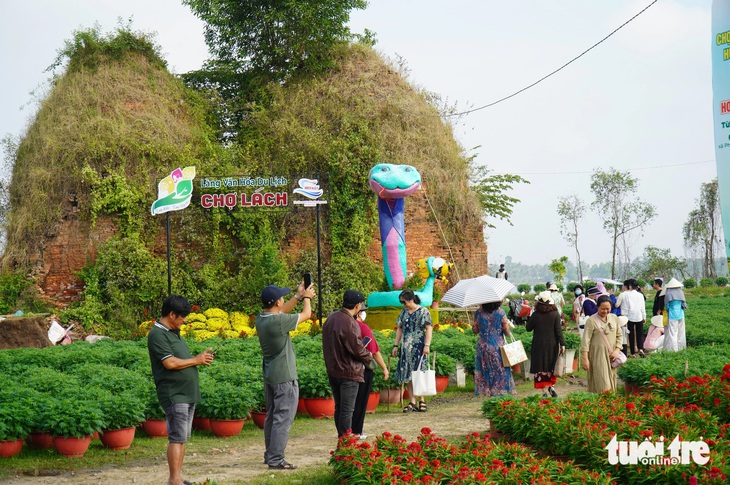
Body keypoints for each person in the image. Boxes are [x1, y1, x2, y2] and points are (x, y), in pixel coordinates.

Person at [147, 295, 214, 485]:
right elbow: (169, 363)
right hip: (174, 394)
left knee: (182, 437)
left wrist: (200, 359)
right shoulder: (157, 335)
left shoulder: (173, 332)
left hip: (186, 393)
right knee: (177, 437)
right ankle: (174, 479)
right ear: (171, 314)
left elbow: (180, 360)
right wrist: (196, 360)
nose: (184, 321)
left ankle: (178, 477)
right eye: (182, 317)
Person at [256, 281, 315, 470]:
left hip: (271, 376)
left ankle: (270, 454)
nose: (283, 299)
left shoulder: (262, 319)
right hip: (285, 377)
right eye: (281, 297)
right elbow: (307, 315)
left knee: (272, 417)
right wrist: (307, 298)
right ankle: (276, 459)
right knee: (283, 418)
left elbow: (281, 311)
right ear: (277, 302)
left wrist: (297, 297)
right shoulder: (278, 322)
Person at [322, 290, 373, 437]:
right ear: (357, 306)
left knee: (340, 408)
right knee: (347, 409)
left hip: (333, 370)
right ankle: (345, 440)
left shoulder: (331, 318)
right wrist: (368, 356)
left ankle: (342, 437)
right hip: (349, 371)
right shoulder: (350, 322)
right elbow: (356, 348)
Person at [392, 289, 433, 412]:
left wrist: (427, 345)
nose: (403, 305)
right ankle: (412, 401)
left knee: (419, 372)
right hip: (405, 347)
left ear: (411, 300)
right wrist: (395, 345)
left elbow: (429, 328)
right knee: (408, 373)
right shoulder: (404, 313)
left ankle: (422, 400)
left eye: (404, 302)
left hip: (419, 346)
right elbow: (399, 329)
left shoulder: (423, 311)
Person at [351, 305, 389, 440]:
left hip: (346, 368)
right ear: (358, 312)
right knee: (360, 401)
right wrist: (384, 368)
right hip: (362, 369)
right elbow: (374, 351)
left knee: (348, 402)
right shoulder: (363, 327)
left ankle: (346, 430)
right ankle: (356, 431)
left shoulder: (343, 325)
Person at [472, 301, 516, 397]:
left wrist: (475, 325)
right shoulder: (501, 312)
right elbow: (507, 332)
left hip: (483, 345)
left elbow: (475, 331)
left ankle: (487, 390)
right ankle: (500, 390)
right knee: (501, 369)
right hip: (497, 346)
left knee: (485, 368)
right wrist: (505, 324)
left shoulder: (478, 313)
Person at [581, 295, 623, 393]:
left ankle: (610, 405)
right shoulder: (591, 321)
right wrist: (585, 359)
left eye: (608, 309)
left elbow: (619, 335)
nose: (605, 311)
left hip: (612, 356)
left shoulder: (614, 318)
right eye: (602, 309)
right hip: (598, 356)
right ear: (597, 307)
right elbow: (585, 341)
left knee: (612, 381)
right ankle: (602, 404)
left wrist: (617, 350)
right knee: (602, 384)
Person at [526, 291, 565, 398]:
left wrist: (528, 317)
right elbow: (558, 331)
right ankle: (551, 387)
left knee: (540, 366)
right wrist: (562, 344)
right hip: (552, 344)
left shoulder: (535, 315)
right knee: (550, 365)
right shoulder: (555, 314)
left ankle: (543, 391)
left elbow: (528, 328)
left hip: (538, 345)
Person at [615, 279, 647, 357]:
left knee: (631, 334)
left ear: (629, 286)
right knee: (640, 334)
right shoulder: (640, 295)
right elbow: (643, 307)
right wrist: (644, 316)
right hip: (639, 316)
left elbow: (617, 305)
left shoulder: (625, 294)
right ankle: (640, 349)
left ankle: (632, 353)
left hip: (628, 317)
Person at [662, 278, 687, 352]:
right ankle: (682, 348)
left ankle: (674, 350)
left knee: (673, 333)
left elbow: (667, 306)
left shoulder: (668, 294)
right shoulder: (681, 293)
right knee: (681, 333)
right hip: (681, 315)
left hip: (672, 316)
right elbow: (683, 304)